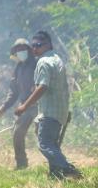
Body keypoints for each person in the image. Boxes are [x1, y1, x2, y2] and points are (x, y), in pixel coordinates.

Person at [15, 31, 81, 180]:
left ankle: (67, 168)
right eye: (33, 46)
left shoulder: (43, 62)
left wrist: (24, 106)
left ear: (49, 44)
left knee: (44, 144)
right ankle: (56, 175)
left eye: (39, 45)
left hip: (50, 111)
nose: (35, 49)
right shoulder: (56, 59)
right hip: (60, 110)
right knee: (51, 143)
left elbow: (43, 87)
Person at [0, 38, 37, 169]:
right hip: (25, 107)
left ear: (29, 50)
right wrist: (3, 108)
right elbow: (13, 92)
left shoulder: (37, 64)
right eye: (18, 50)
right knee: (17, 133)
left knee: (43, 135)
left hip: (39, 106)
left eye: (23, 49)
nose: (21, 52)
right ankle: (21, 164)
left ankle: (54, 162)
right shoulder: (18, 68)